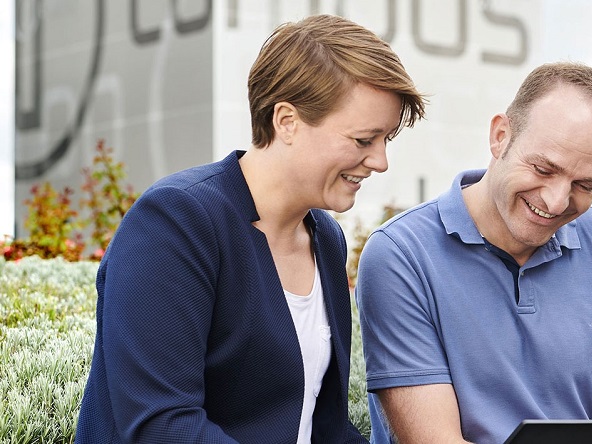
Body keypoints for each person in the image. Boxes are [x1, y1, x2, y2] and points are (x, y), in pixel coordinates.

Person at [74, 14, 425, 443]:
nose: (380, 161)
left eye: (386, 139)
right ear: (287, 121)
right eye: (363, 140)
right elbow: (161, 425)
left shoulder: (326, 239)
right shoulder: (176, 222)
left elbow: (324, 426)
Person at [356, 62, 592, 444]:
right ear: (501, 136)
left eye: (585, 185)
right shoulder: (402, 255)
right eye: (543, 168)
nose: (556, 201)